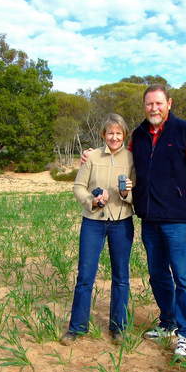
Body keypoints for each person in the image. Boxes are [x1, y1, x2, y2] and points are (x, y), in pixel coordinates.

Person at [82, 84, 186, 360]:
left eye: (159, 104)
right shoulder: (138, 135)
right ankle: (168, 322)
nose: (154, 108)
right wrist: (91, 155)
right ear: (144, 106)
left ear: (169, 104)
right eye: (149, 104)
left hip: (178, 220)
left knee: (184, 278)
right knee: (158, 275)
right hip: (149, 219)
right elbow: (117, 158)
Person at [61, 113, 135, 346]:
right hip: (93, 222)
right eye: (110, 133)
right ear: (104, 134)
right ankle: (76, 328)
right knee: (85, 277)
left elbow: (137, 194)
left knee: (121, 278)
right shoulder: (91, 157)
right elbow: (78, 186)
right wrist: (92, 202)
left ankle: (118, 328)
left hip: (122, 221)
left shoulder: (132, 159)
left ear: (124, 135)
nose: (114, 137)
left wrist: (126, 194)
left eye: (118, 133)